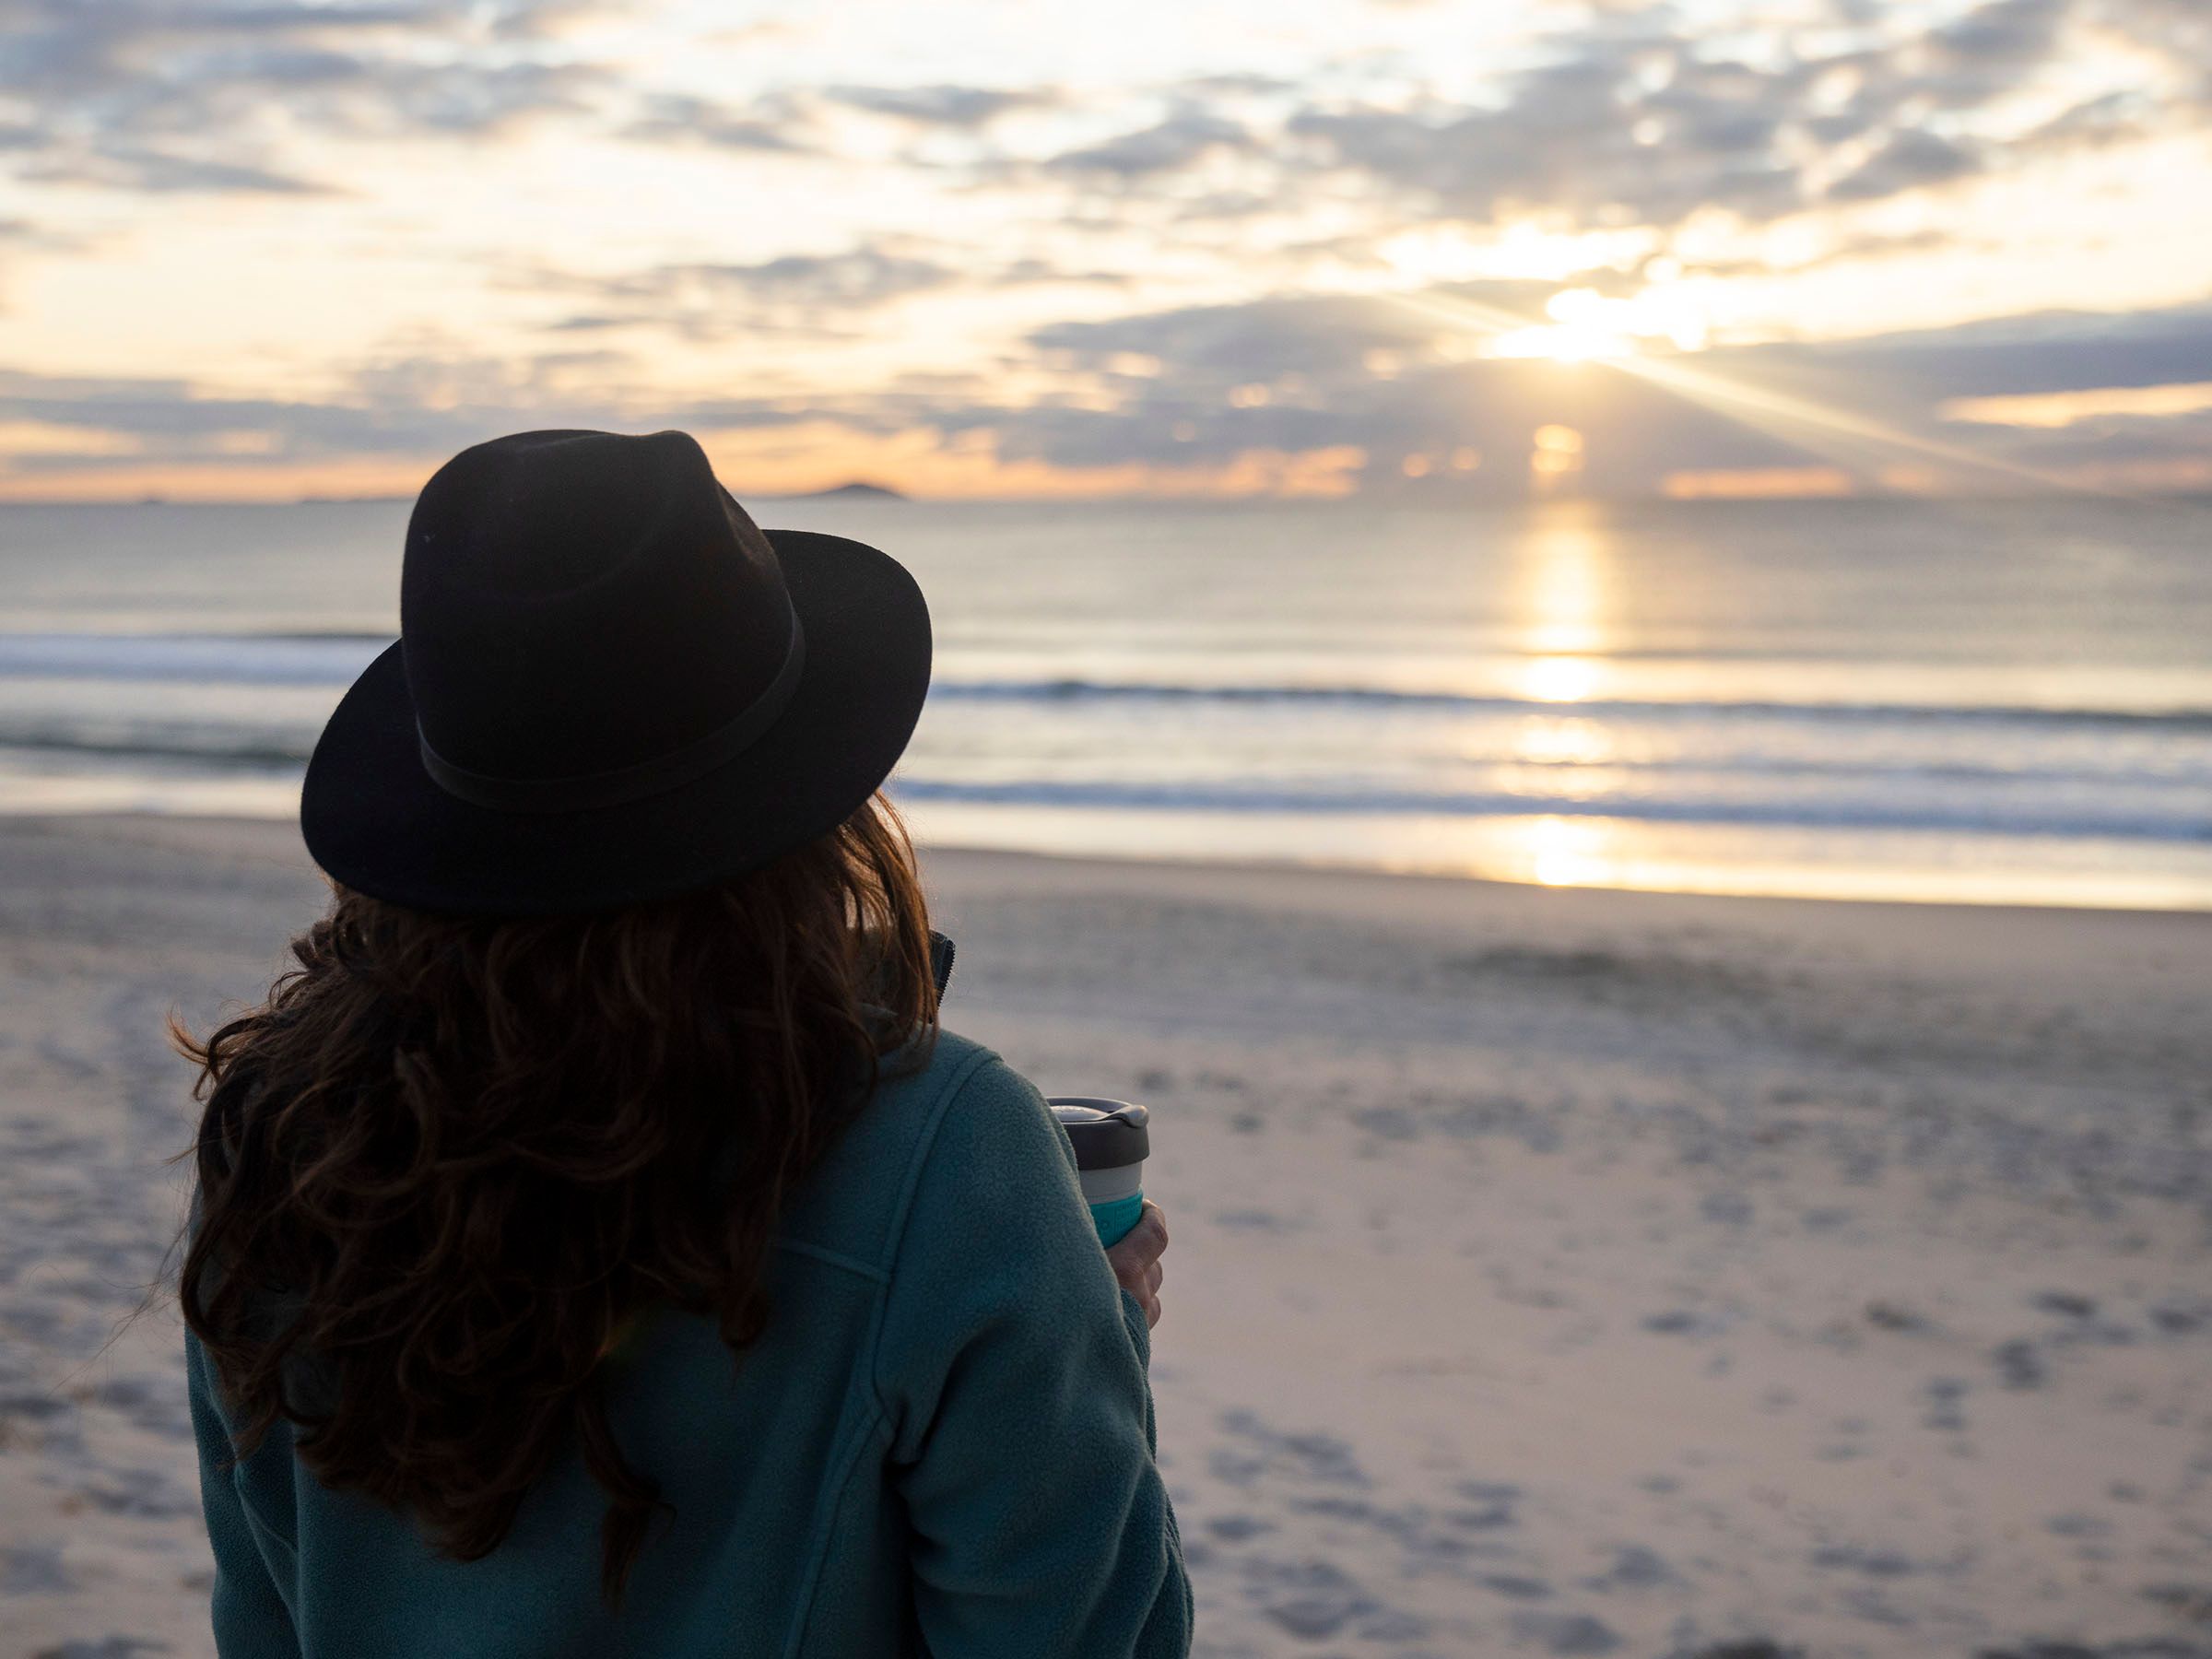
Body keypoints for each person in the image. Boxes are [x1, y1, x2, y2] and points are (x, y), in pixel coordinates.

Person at [172, 429, 1192, 1656]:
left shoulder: (287, 1149)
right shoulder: (944, 1155)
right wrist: (1101, 1321)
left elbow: (268, 1624)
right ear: (810, 798)